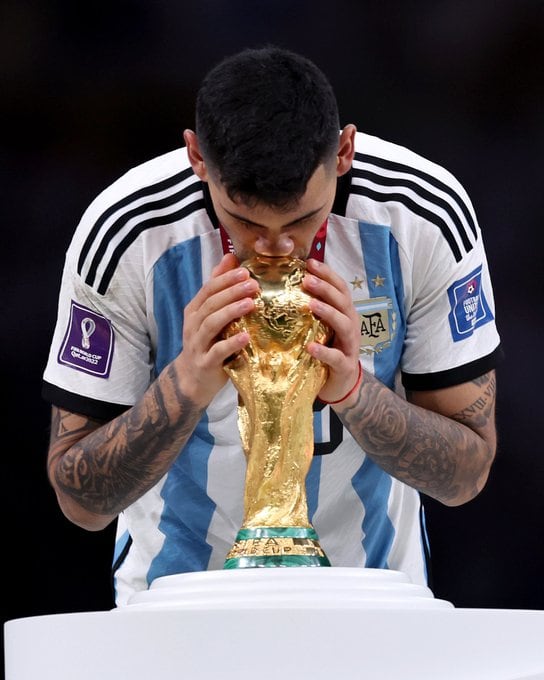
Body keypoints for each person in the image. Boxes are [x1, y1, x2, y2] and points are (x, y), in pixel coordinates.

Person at [42, 45, 502, 605]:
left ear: (344, 153)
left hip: (374, 597)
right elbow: (81, 502)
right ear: (197, 159)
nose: (276, 247)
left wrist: (355, 391)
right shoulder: (126, 232)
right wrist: (184, 384)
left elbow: (466, 477)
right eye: (244, 221)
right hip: (175, 602)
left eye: (304, 218)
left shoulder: (423, 216)